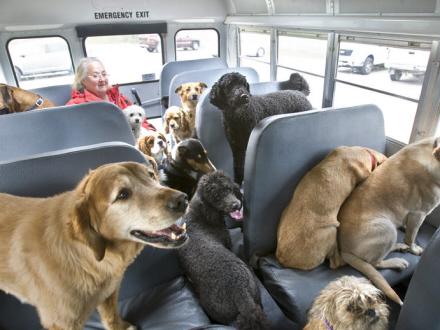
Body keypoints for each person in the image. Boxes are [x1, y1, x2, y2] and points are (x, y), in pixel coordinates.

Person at [66, 57, 156, 131]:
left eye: (104, 74)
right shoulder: (75, 106)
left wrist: (150, 131)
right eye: (95, 76)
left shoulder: (117, 97)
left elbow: (141, 121)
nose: (102, 79)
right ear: (83, 80)